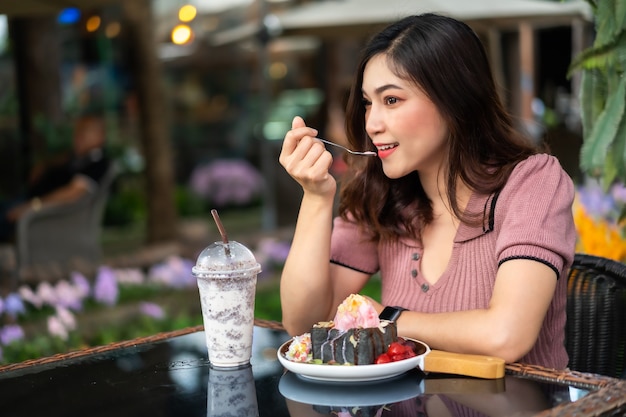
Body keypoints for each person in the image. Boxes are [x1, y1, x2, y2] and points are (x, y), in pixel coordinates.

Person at [278, 13, 575, 369]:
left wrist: (387, 319)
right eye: (367, 103)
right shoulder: (382, 193)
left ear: (453, 99)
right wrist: (316, 196)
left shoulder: (533, 182)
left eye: (391, 101)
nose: (371, 123)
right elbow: (302, 324)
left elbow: (506, 336)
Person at [0, 114, 111, 242]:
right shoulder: (77, 158)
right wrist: (44, 167)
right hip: (29, 200)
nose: (78, 138)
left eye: (84, 132)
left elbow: (72, 192)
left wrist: (32, 206)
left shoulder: (98, 163)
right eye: (77, 133)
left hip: (42, 213)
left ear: (100, 136)